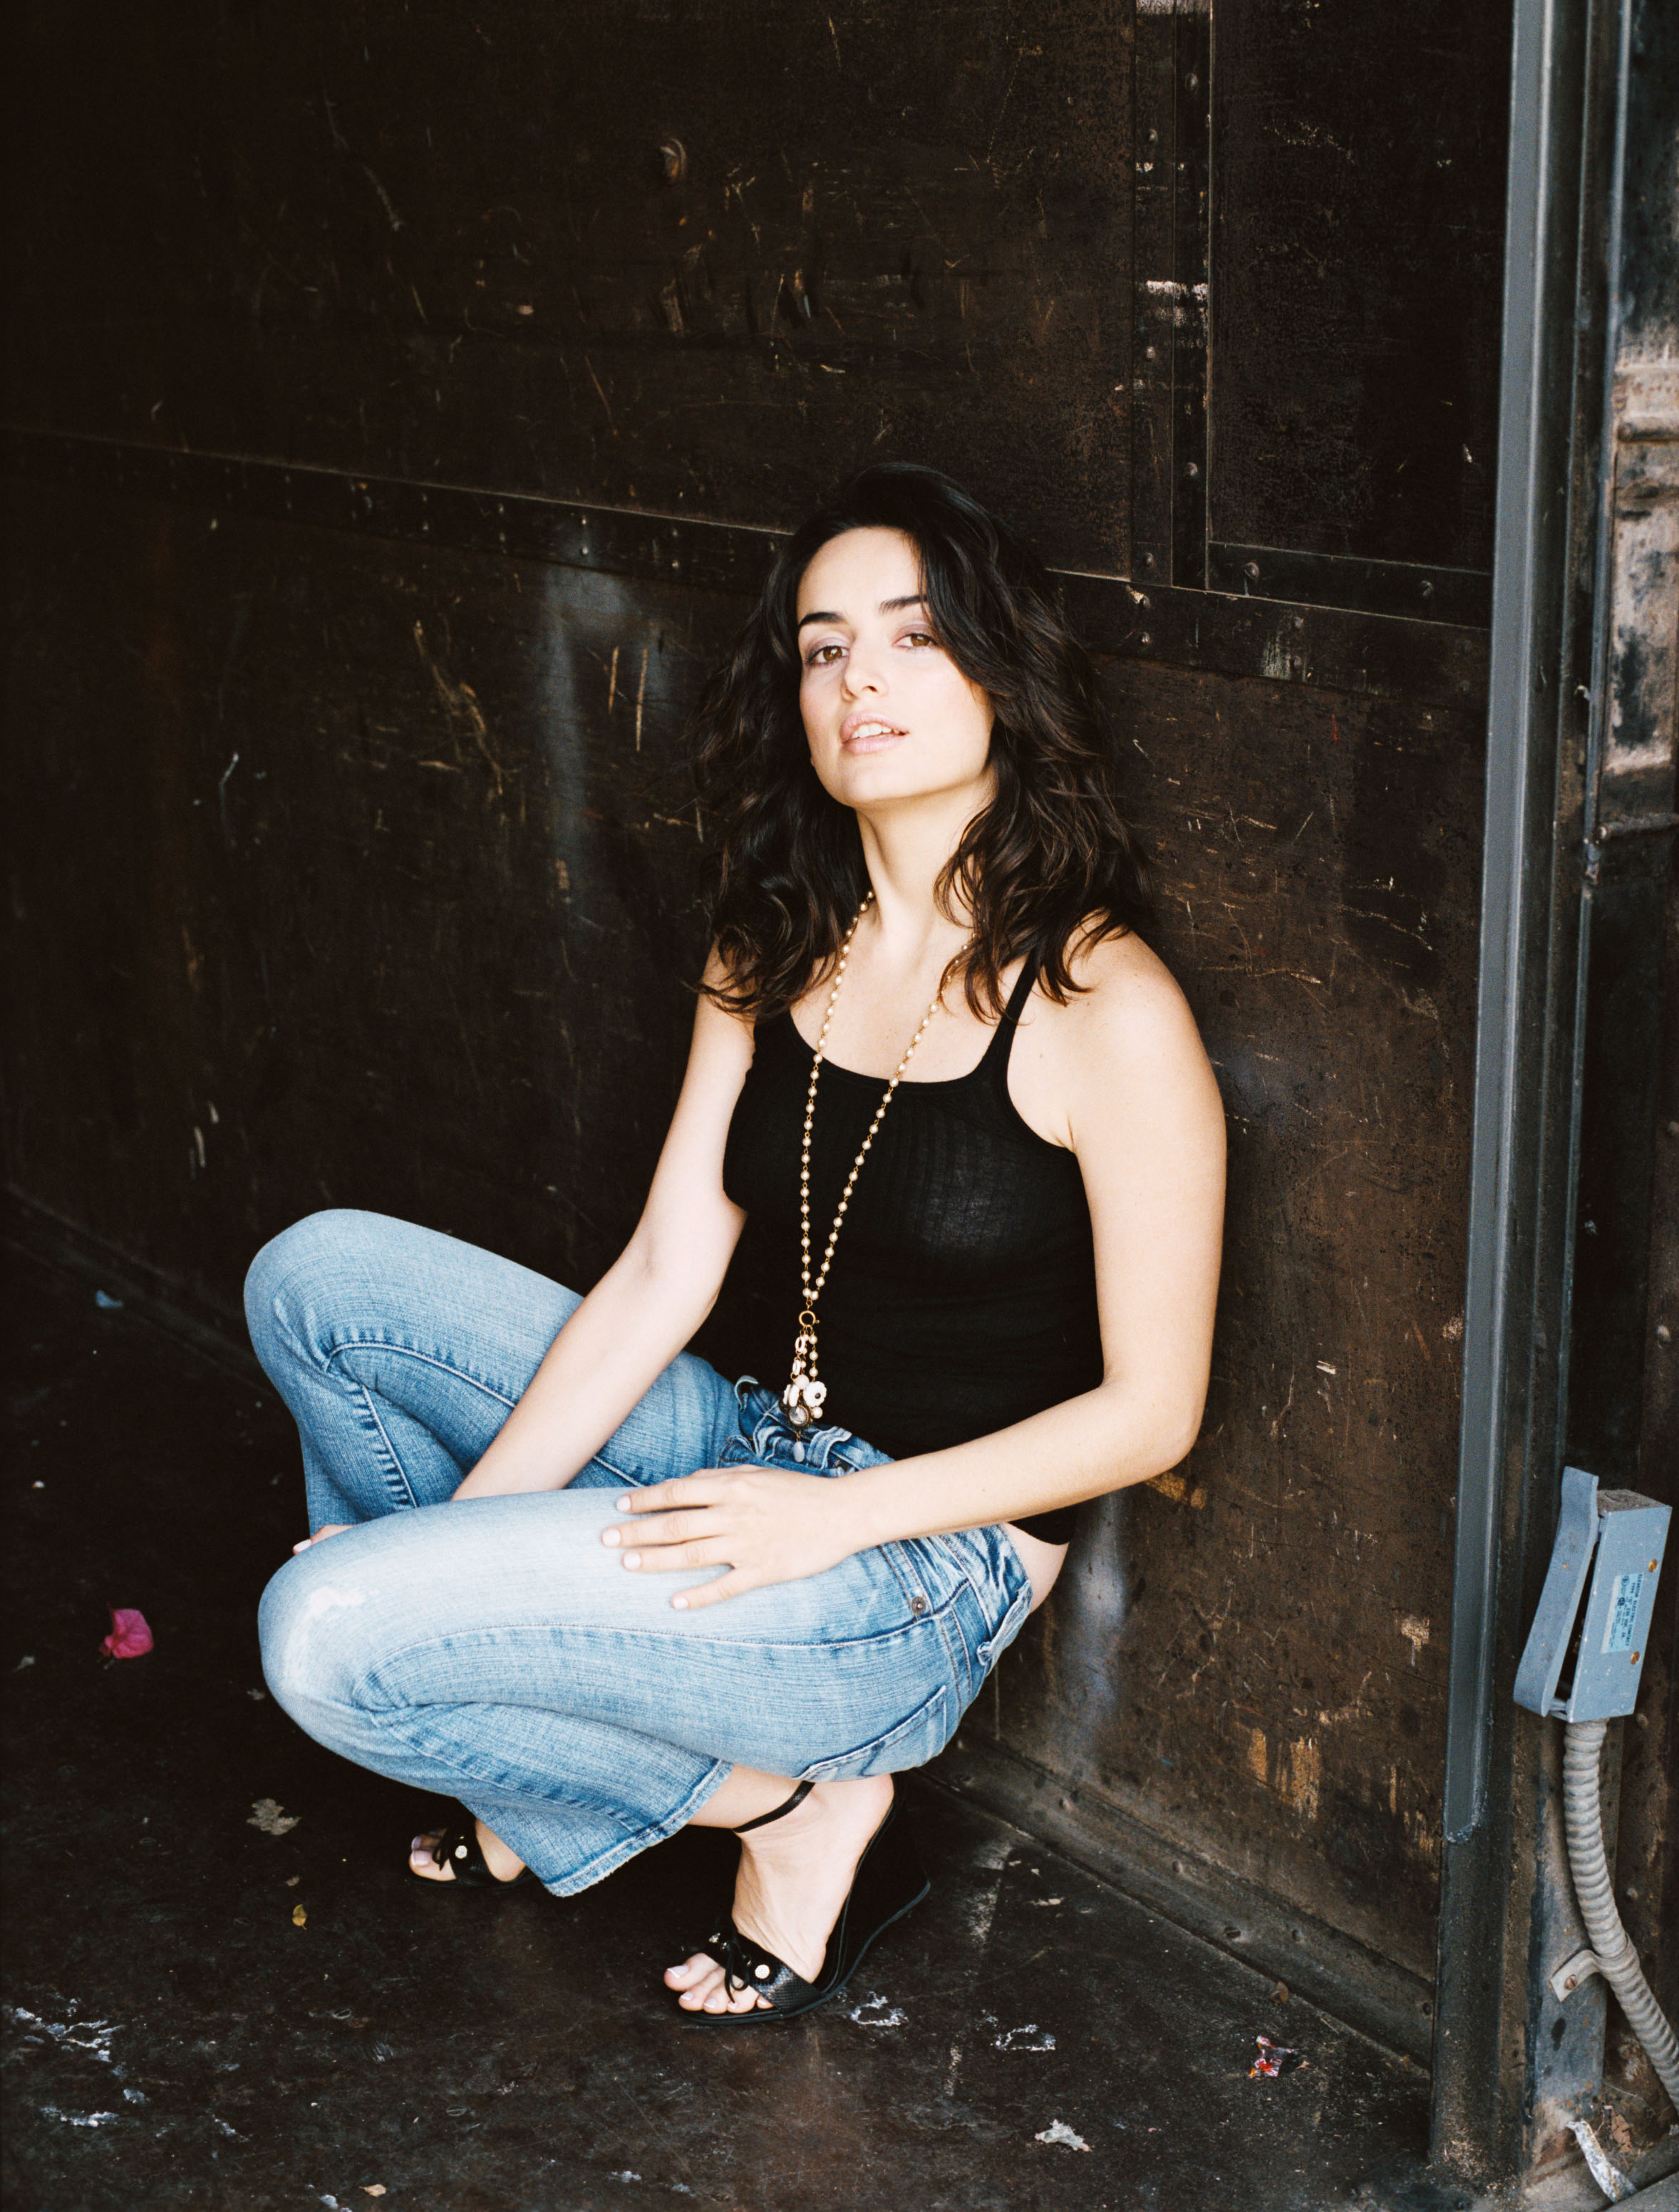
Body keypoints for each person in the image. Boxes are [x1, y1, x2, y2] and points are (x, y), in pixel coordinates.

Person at [252, 462, 1225, 2022]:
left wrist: (832, 1520)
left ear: (1000, 674)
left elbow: (1152, 1413)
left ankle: (796, 1805)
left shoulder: (1101, 1001)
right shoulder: (773, 942)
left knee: (319, 1639)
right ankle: (645, 1778)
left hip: (913, 1568)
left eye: (913, 635)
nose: (861, 680)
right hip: (741, 1441)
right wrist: (447, 1546)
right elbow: (663, 1270)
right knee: (317, 1282)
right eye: (825, 648)